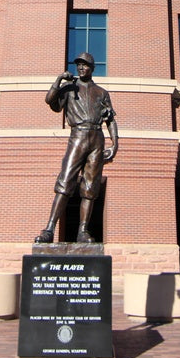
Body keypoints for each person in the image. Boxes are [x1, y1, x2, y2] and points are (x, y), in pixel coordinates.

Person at [36, 53, 118, 244]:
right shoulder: (68, 88)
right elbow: (50, 101)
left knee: (90, 188)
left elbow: (111, 119)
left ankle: (83, 230)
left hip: (97, 138)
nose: (81, 68)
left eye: (85, 65)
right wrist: (58, 80)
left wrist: (115, 143)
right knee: (65, 182)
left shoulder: (101, 92)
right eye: (79, 65)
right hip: (78, 136)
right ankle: (49, 229)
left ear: (92, 68)